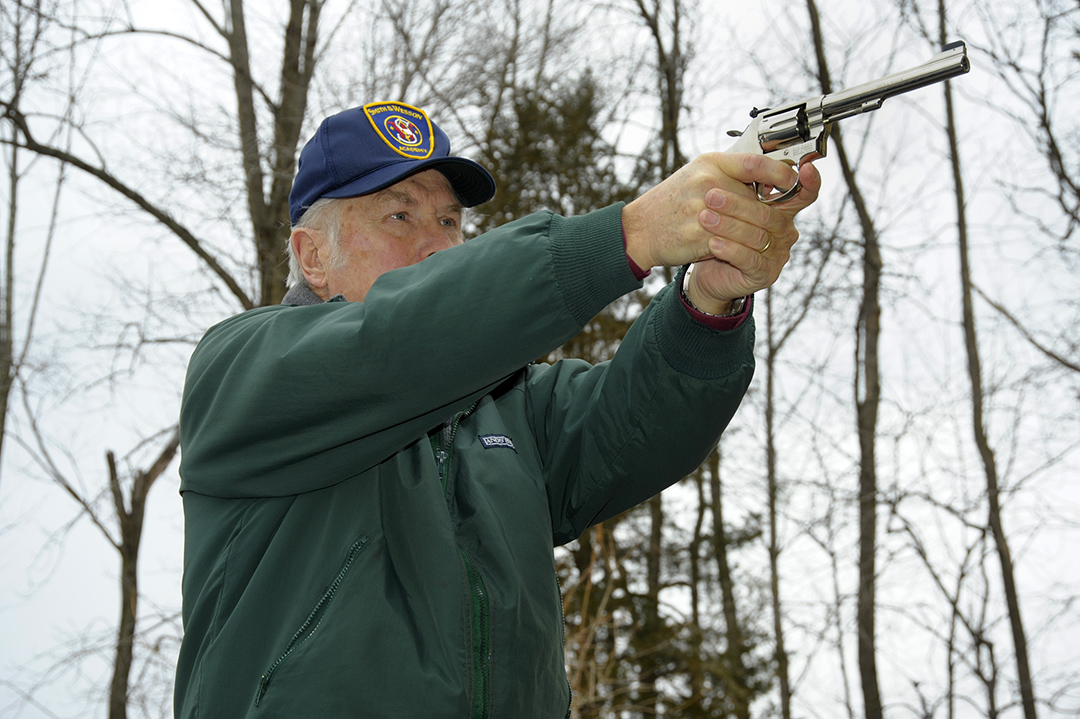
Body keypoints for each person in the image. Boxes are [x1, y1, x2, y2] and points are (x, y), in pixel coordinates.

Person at [174, 100, 820, 718]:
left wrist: (708, 297)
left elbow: (636, 423)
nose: (438, 245)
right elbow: (395, 343)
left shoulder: (509, 409)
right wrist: (631, 233)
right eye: (400, 217)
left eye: (450, 221)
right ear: (313, 254)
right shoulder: (243, 372)